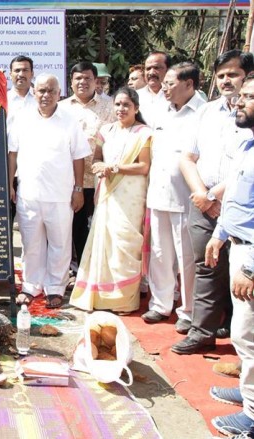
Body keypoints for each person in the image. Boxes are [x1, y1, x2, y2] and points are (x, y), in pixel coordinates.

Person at [173, 50, 254, 355]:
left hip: (238, 207)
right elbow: (187, 157)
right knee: (206, 267)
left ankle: (236, 338)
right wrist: (202, 196)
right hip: (204, 203)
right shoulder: (207, 112)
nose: (225, 81)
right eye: (220, 76)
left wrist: (215, 197)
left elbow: (240, 170)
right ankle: (202, 331)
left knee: (243, 274)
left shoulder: (248, 116)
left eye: (232, 74)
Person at [8, 73, 91, 309]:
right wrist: (10, 185)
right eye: (42, 90)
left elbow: (78, 157)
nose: (45, 95)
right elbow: (12, 153)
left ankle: (55, 287)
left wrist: (78, 189)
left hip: (61, 195)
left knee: (60, 243)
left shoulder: (69, 119)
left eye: (51, 91)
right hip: (29, 194)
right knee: (31, 243)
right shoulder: (22, 118)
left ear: (59, 93)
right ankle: (31, 285)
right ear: (34, 92)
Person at [69, 87, 152, 312]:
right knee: (104, 242)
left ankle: (123, 299)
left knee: (126, 243)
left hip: (131, 196)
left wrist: (114, 167)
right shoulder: (105, 130)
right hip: (107, 193)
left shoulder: (144, 133)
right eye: (117, 104)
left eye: (126, 105)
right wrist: (100, 167)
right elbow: (96, 159)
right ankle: (101, 296)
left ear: (136, 108)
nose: (121, 109)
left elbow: (144, 166)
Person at [205, 73, 254, 437]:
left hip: (251, 257)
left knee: (247, 334)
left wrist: (250, 268)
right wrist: (220, 235)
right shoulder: (248, 145)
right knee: (244, 333)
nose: (239, 101)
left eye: (249, 97)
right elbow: (237, 197)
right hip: (237, 245)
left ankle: (252, 417)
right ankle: (249, 393)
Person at [143, 62, 205, 334]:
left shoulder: (204, 113)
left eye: (170, 83)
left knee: (186, 256)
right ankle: (160, 303)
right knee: (159, 253)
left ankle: (189, 311)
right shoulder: (161, 111)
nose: (164, 88)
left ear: (189, 84)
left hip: (187, 198)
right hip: (158, 193)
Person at [59, 61, 115, 266]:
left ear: (95, 81)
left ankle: (102, 270)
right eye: (78, 78)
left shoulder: (110, 106)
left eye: (87, 78)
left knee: (103, 226)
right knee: (77, 226)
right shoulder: (61, 108)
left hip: (102, 178)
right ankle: (80, 270)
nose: (83, 82)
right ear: (71, 82)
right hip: (71, 180)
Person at [138, 51, 171, 127]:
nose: (151, 72)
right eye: (148, 68)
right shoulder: (136, 96)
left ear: (168, 70)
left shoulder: (177, 96)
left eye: (156, 68)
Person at [7, 55, 36, 132]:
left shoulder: (40, 99)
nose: (21, 74)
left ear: (32, 74)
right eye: (17, 70)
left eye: (25, 70)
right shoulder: (3, 100)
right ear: (10, 75)